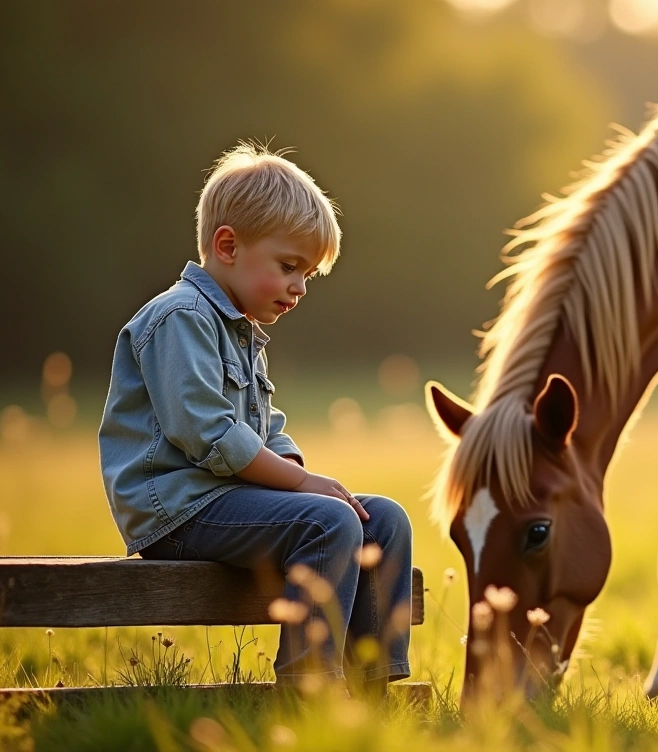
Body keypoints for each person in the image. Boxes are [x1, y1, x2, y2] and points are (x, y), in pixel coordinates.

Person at [97, 142, 411, 693]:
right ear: (227, 246)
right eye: (289, 267)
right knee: (329, 521)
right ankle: (307, 691)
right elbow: (209, 434)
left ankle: (371, 693)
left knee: (383, 520)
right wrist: (302, 487)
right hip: (180, 510)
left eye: (308, 274)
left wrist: (297, 473)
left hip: (228, 500)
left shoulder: (240, 330)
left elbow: (267, 425)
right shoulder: (179, 318)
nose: (300, 287)